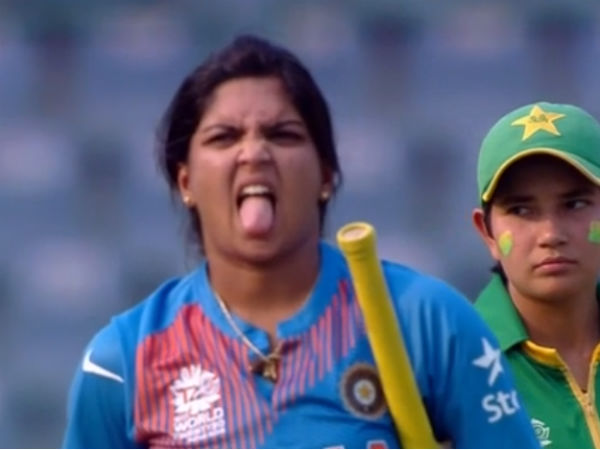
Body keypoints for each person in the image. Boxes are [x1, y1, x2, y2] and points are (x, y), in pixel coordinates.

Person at [63, 35, 538, 448]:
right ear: (185, 181)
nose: (254, 153)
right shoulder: (122, 360)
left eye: (282, 135)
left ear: (326, 175)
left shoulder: (429, 321)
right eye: (224, 137)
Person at [472, 101, 600, 448]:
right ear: (487, 233)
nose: (551, 234)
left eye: (574, 204)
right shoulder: (455, 367)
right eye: (521, 210)